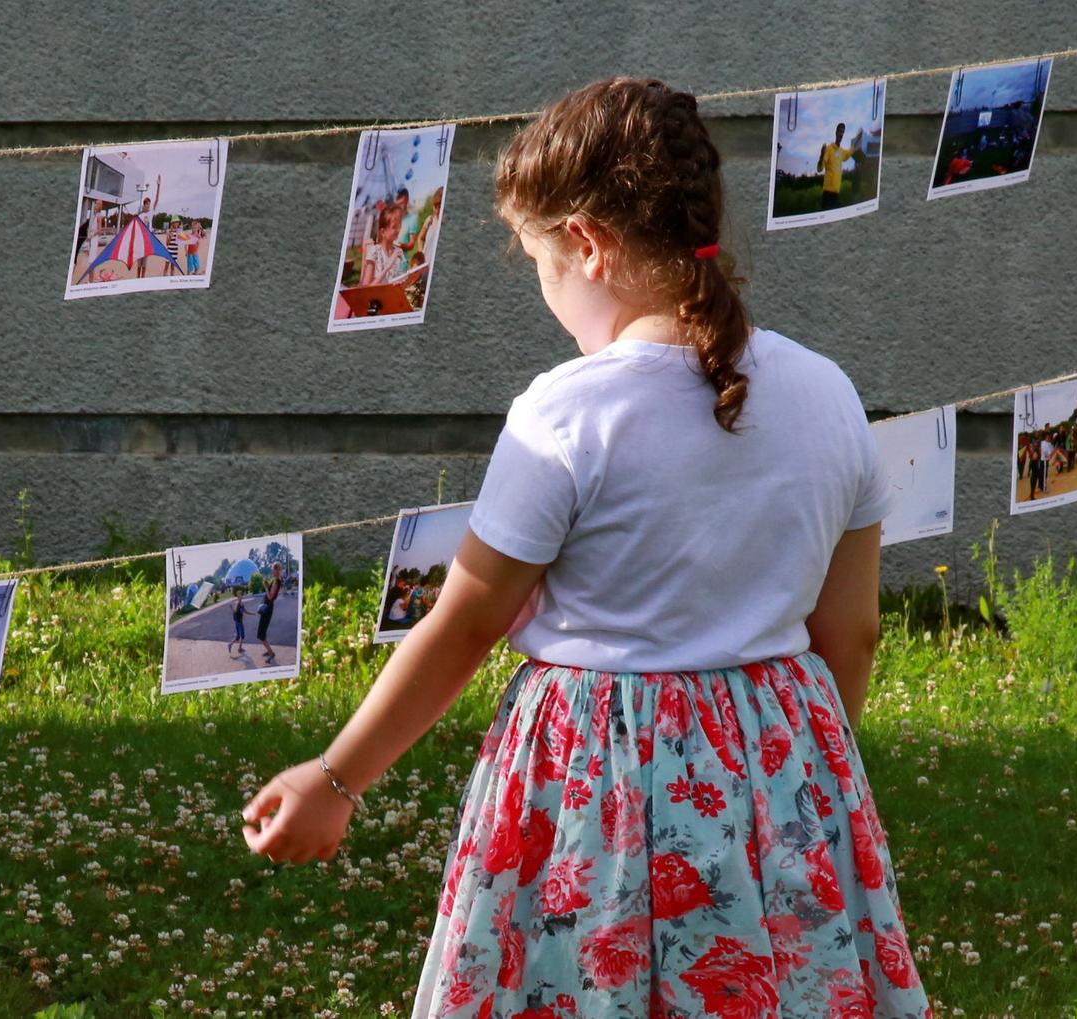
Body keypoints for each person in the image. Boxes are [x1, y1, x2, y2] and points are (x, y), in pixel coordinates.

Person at [236, 78, 927, 1018]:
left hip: (594, 783)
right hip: (783, 768)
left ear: (591, 247)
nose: (543, 287)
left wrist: (335, 778)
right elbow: (852, 630)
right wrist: (805, 772)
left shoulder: (565, 414)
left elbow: (466, 621)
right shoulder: (828, 393)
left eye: (536, 259)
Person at [254, 564, 283, 666]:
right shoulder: (276, 580)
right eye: (273, 570)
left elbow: (270, 597)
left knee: (261, 633)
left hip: (268, 608)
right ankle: (269, 650)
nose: (273, 572)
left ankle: (271, 653)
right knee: (262, 631)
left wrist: (266, 587)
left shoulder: (276, 581)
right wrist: (267, 585)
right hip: (267, 607)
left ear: (278, 570)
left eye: (274, 570)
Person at [819, 121, 850, 210]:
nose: (841, 134)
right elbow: (820, 168)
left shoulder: (841, 151)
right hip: (827, 193)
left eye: (843, 132)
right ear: (836, 132)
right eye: (840, 131)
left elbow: (848, 153)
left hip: (836, 193)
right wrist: (821, 155)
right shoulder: (829, 149)